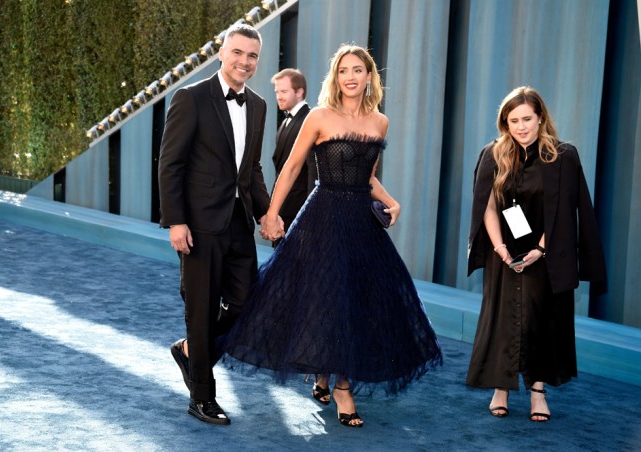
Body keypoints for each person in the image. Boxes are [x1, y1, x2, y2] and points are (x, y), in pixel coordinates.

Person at [221, 44, 443, 428]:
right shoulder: (320, 117)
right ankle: (342, 387)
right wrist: (272, 213)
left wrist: (393, 202)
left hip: (361, 222)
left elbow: (368, 176)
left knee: (355, 299)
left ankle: (327, 375)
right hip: (322, 214)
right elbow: (291, 169)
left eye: (358, 70)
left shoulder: (380, 123)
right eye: (343, 71)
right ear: (335, 78)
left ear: (369, 76)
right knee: (326, 297)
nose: (350, 77)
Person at [158, 23, 281, 425]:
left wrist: (267, 211)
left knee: (247, 304)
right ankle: (202, 397)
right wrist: (176, 221)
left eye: (252, 56)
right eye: (238, 53)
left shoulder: (260, 105)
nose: (244, 62)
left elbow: (252, 169)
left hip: (238, 223)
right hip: (198, 225)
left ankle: (192, 352)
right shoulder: (191, 97)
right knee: (201, 310)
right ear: (221, 53)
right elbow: (170, 164)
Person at [465, 86, 606, 422]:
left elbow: (565, 210)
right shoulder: (492, 154)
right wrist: (500, 249)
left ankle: (537, 391)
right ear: (505, 123)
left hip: (546, 253)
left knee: (541, 321)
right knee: (502, 320)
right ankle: (501, 388)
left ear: (541, 118)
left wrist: (540, 249)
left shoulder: (562, 156)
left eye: (527, 118)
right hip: (505, 253)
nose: (521, 126)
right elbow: (486, 205)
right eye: (513, 120)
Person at [270, 68, 316, 242]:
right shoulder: (285, 121)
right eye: (277, 92)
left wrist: (309, 215)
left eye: (283, 91)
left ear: (299, 92)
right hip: (283, 211)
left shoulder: (310, 121)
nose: (279, 96)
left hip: (300, 214)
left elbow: (313, 171)